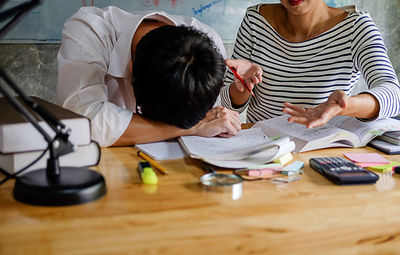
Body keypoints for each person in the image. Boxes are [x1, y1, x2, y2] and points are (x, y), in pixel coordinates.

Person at [57, 6, 241, 147]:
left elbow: (207, 118)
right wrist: (193, 128)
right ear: (131, 69)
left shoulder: (208, 46)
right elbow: (85, 122)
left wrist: (197, 125)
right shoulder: (90, 30)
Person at [222, 0, 400, 128]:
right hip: (261, 148)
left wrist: (345, 106)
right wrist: (243, 86)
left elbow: (394, 95)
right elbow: (225, 106)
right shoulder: (254, 21)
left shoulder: (356, 27)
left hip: (321, 151)